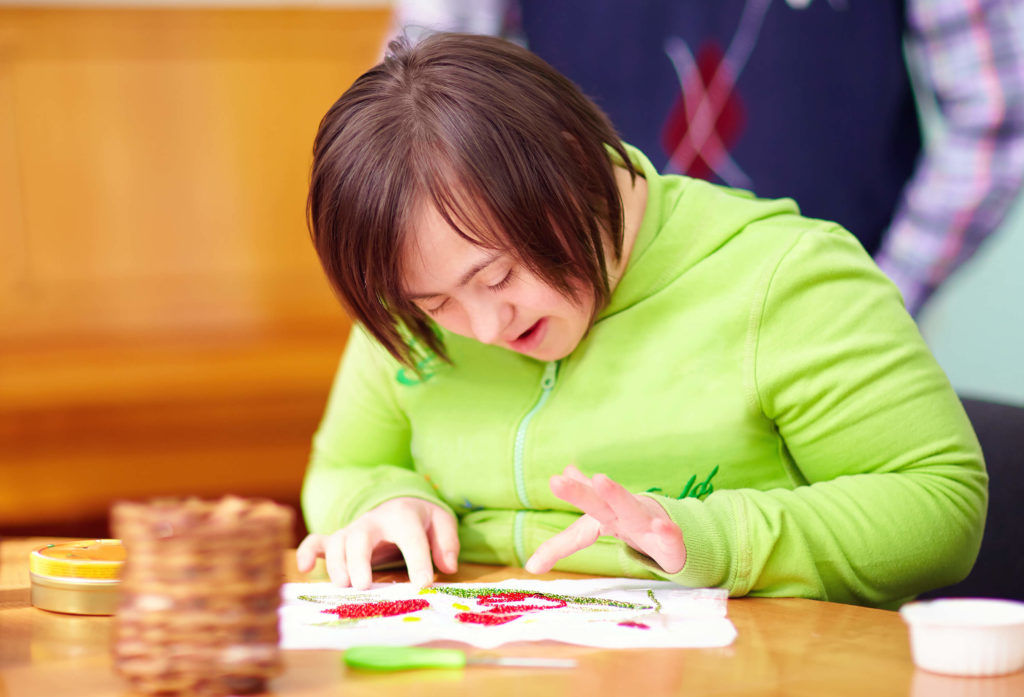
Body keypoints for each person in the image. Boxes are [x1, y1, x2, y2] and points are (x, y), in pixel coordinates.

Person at [295, 33, 987, 609]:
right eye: (432, 305)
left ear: (571, 160)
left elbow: (938, 505)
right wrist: (384, 502)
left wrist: (707, 538)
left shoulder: (785, 276)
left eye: (499, 275)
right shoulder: (418, 288)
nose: (481, 324)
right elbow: (344, 466)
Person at [390, 0, 1024, 317]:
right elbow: (421, 95)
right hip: (592, 324)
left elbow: (999, 113)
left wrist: (877, 295)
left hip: (823, 311)